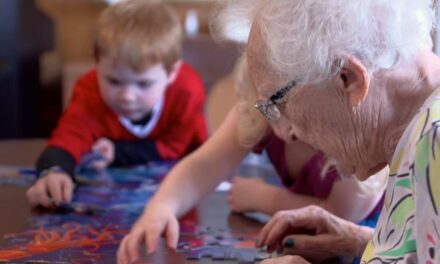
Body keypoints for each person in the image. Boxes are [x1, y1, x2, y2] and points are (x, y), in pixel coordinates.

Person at [212, 0, 438, 263]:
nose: (289, 130)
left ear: (348, 78)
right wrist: (364, 240)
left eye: (277, 102)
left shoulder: (434, 138)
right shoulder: (418, 133)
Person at [116, 51, 387, 263]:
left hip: (374, 245)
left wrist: (264, 198)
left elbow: (343, 216)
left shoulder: (354, 125)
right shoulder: (264, 105)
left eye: (289, 109)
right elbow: (203, 166)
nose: (282, 128)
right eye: (267, 107)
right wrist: (161, 208)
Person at [26, 0, 207, 208]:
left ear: (171, 73)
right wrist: (54, 171)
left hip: (182, 196)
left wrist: (117, 152)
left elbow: (176, 146)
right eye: (113, 81)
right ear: (97, 63)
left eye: (143, 83)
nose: (127, 96)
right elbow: (67, 138)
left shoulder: (187, 90)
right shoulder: (89, 90)